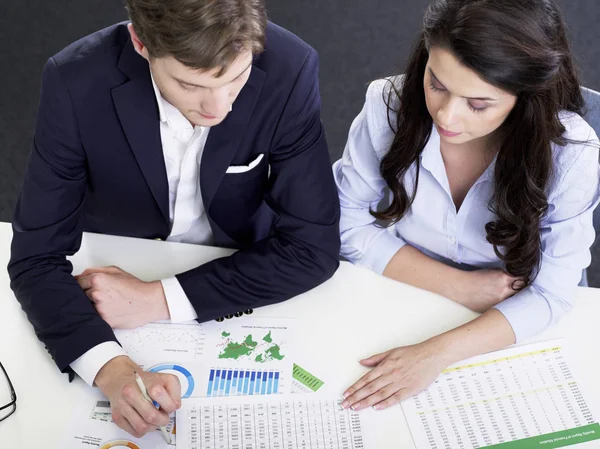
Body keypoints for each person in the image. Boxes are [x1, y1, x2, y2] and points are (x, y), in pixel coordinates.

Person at [8, 0, 340, 438]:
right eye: (190, 85)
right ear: (141, 43)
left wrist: (156, 299)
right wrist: (109, 366)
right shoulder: (76, 80)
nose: (218, 108)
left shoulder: (290, 69)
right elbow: (36, 257)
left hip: (240, 269)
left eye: (237, 78)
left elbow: (312, 248)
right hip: (119, 256)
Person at [335, 0, 600, 412]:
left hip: (514, 314)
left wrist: (434, 354)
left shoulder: (571, 152)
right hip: (406, 289)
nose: (446, 115)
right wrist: (460, 286)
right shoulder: (386, 102)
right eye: (436, 83)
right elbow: (347, 222)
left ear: (525, 97)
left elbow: (552, 293)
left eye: (478, 104)